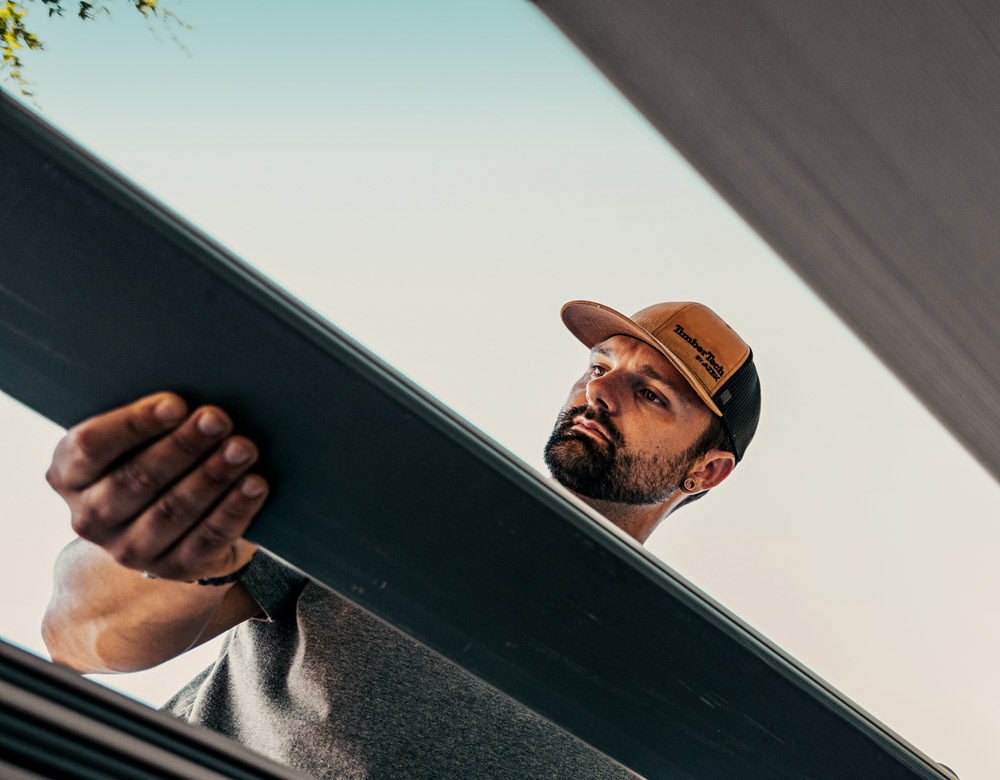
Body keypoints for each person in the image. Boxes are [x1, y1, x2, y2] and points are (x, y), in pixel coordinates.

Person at [41, 300, 761, 779]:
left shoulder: (671, 710)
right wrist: (169, 553)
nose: (600, 392)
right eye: (601, 366)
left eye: (652, 394)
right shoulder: (405, 511)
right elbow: (79, 639)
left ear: (707, 470)